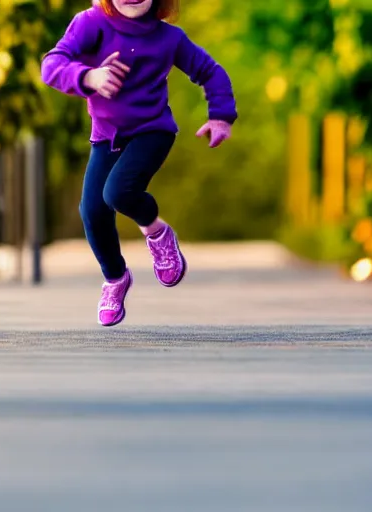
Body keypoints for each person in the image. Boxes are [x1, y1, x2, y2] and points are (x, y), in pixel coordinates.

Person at [41, 0, 237, 327]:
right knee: (92, 210)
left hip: (153, 131)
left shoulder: (169, 39)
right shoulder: (91, 23)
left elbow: (211, 72)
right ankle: (115, 279)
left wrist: (220, 116)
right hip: (107, 136)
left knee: (118, 192)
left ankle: (156, 232)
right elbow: (52, 64)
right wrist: (88, 77)